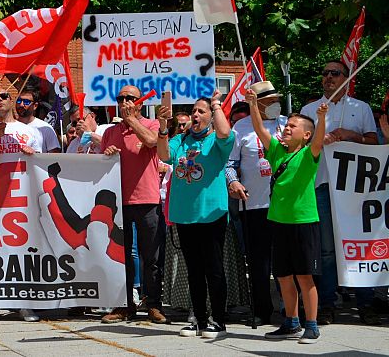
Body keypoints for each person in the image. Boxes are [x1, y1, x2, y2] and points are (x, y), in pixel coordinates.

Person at [299, 60, 379, 325]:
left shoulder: (361, 108)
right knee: (326, 250)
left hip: (354, 189)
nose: (329, 78)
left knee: (358, 245)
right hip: (321, 186)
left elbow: (373, 142)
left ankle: (365, 303)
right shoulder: (309, 110)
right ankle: (328, 303)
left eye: (335, 73)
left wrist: (349, 135)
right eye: (325, 73)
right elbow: (300, 145)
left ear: (346, 78)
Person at [247, 88, 328, 344]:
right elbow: (260, 129)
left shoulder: (308, 153)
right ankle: (291, 321)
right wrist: (252, 104)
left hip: (303, 223)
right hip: (279, 222)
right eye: (287, 125)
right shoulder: (277, 152)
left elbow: (318, 140)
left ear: (305, 134)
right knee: (283, 276)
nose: (287, 128)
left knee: (305, 276)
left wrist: (322, 118)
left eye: (293, 126)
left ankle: (311, 324)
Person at [157, 90, 233, 338]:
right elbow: (163, 155)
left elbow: (224, 132)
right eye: (193, 112)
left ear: (211, 116)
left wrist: (217, 105)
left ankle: (218, 321)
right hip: (185, 215)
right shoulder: (181, 139)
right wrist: (161, 127)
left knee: (214, 269)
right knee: (194, 271)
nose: (196, 115)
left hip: (211, 213)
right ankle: (199, 319)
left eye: (202, 111)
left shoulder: (216, 140)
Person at [100, 86, 168, 324]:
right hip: (119, 202)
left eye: (130, 98)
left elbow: (151, 142)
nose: (125, 101)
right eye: (121, 98)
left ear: (140, 102)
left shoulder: (150, 125)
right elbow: (101, 164)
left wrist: (131, 120)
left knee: (152, 255)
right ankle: (123, 305)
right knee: (121, 257)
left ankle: (153, 305)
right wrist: (107, 152)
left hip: (147, 199)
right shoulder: (110, 132)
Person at [0, 88, 41, 323]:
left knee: (23, 253)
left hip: (22, 200)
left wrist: (33, 154)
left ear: (12, 101)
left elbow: (40, 167)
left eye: (4, 97)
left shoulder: (29, 131)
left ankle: (24, 304)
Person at [226, 84, 288, 326]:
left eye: (276, 99)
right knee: (259, 262)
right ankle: (262, 309)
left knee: (286, 259)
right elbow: (229, 164)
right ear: (258, 103)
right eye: (270, 100)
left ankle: (289, 308)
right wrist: (234, 183)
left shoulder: (286, 123)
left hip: (285, 204)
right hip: (254, 204)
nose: (275, 104)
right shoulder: (240, 128)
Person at [15, 88, 61, 153]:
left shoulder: (45, 128)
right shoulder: (10, 127)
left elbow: (55, 156)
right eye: (19, 101)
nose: (21, 105)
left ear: (35, 106)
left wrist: (35, 155)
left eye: (26, 102)